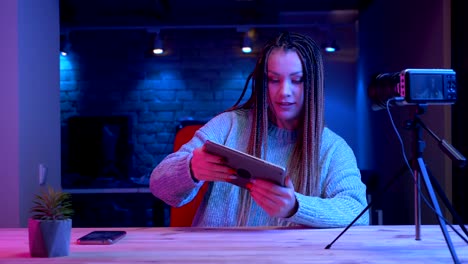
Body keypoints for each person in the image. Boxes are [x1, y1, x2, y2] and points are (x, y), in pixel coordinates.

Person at [150, 31, 369, 227]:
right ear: (263, 83)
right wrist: (190, 168)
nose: (284, 92)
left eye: (297, 80)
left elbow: (359, 214)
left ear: (313, 85)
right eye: (274, 80)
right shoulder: (228, 126)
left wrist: (296, 207)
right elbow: (158, 185)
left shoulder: (333, 148)